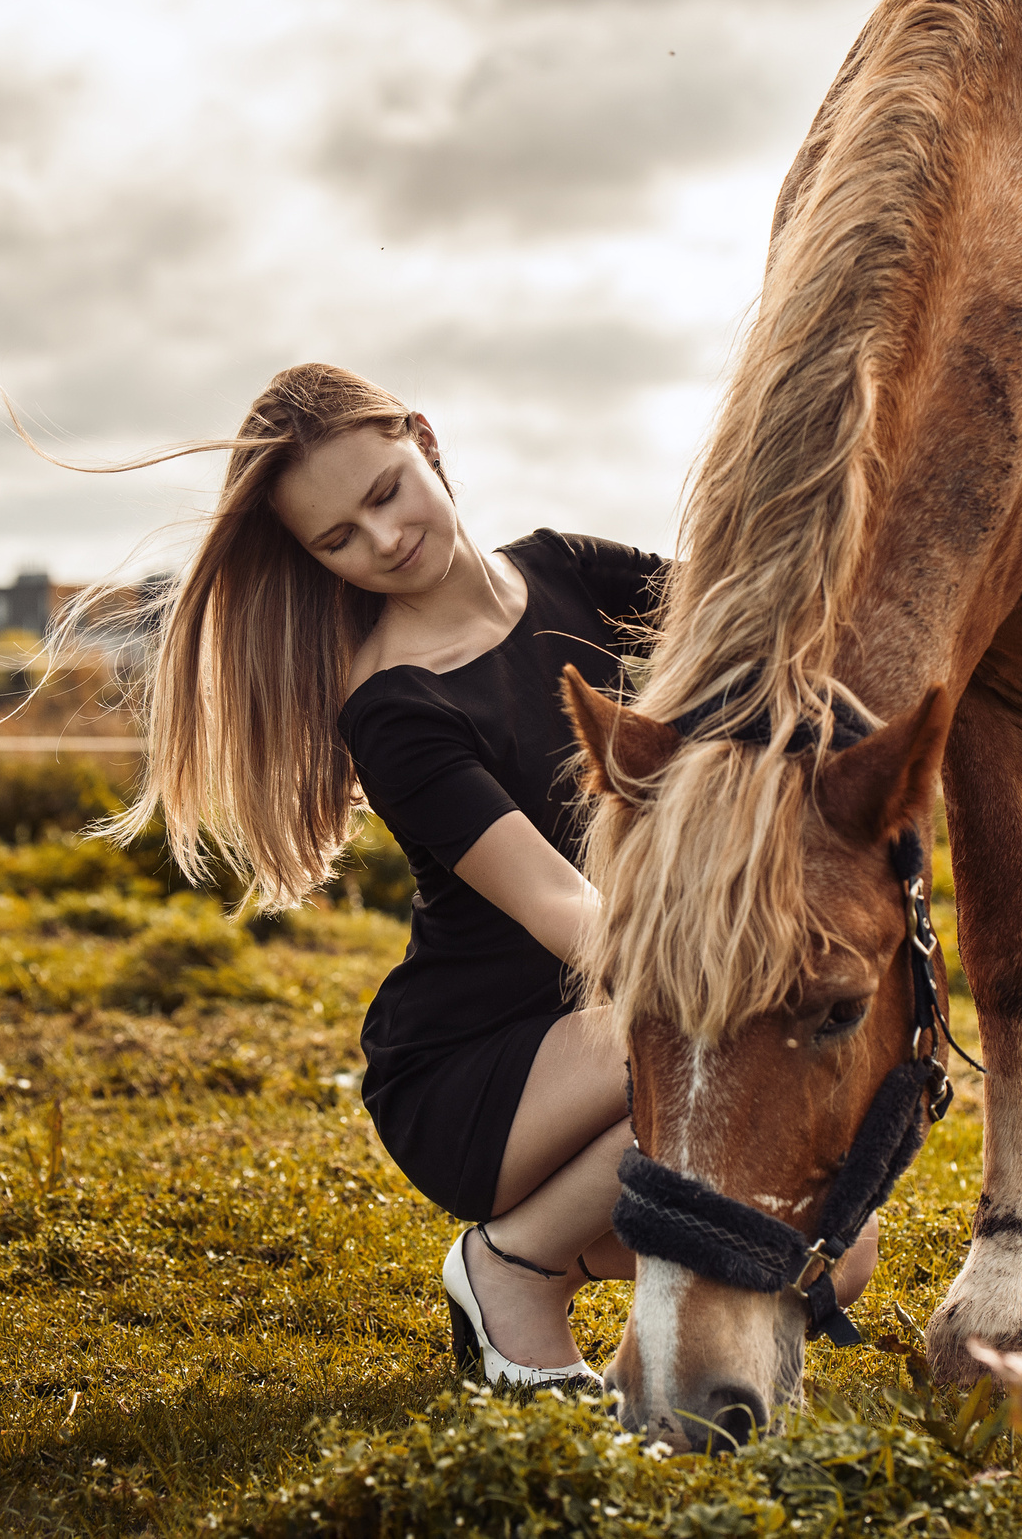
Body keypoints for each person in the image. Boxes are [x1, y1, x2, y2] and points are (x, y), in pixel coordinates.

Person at [51, 363, 877, 1388]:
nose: (384, 541)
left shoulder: (570, 569)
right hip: (479, 1070)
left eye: (385, 492)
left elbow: (754, 636)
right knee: (708, 1049)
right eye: (338, 539)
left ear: (424, 440)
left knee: (835, 1255)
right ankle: (507, 1265)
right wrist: (730, 976)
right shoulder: (393, 707)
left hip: (606, 1026)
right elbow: (558, 904)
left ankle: (625, 1323)